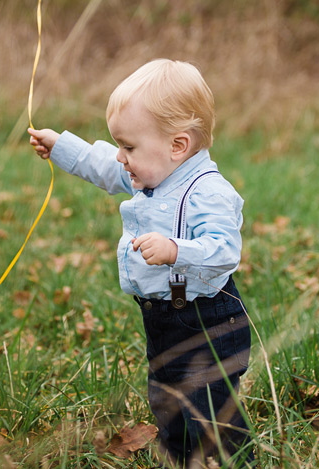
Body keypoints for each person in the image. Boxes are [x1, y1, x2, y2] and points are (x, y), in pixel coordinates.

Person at [28, 59, 253, 467]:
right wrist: (60, 145)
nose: (121, 156)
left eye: (129, 147)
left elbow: (224, 250)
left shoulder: (208, 192)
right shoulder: (150, 171)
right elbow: (100, 164)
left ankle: (227, 461)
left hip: (207, 319)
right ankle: (183, 457)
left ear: (177, 145)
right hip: (163, 318)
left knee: (209, 410)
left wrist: (175, 249)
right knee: (167, 399)